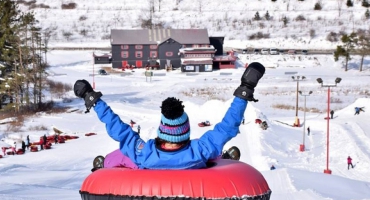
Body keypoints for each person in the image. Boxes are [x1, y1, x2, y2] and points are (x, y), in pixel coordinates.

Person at [74, 62, 265, 170]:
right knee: (212, 157)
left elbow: (118, 130)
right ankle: (224, 157)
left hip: (147, 165)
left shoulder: (144, 153)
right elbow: (227, 126)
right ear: (185, 131)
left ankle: (102, 165)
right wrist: (245, 89)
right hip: (197, 164)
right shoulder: (200, 150)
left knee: (120, 156)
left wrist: (92, 99)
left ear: (162, 130)